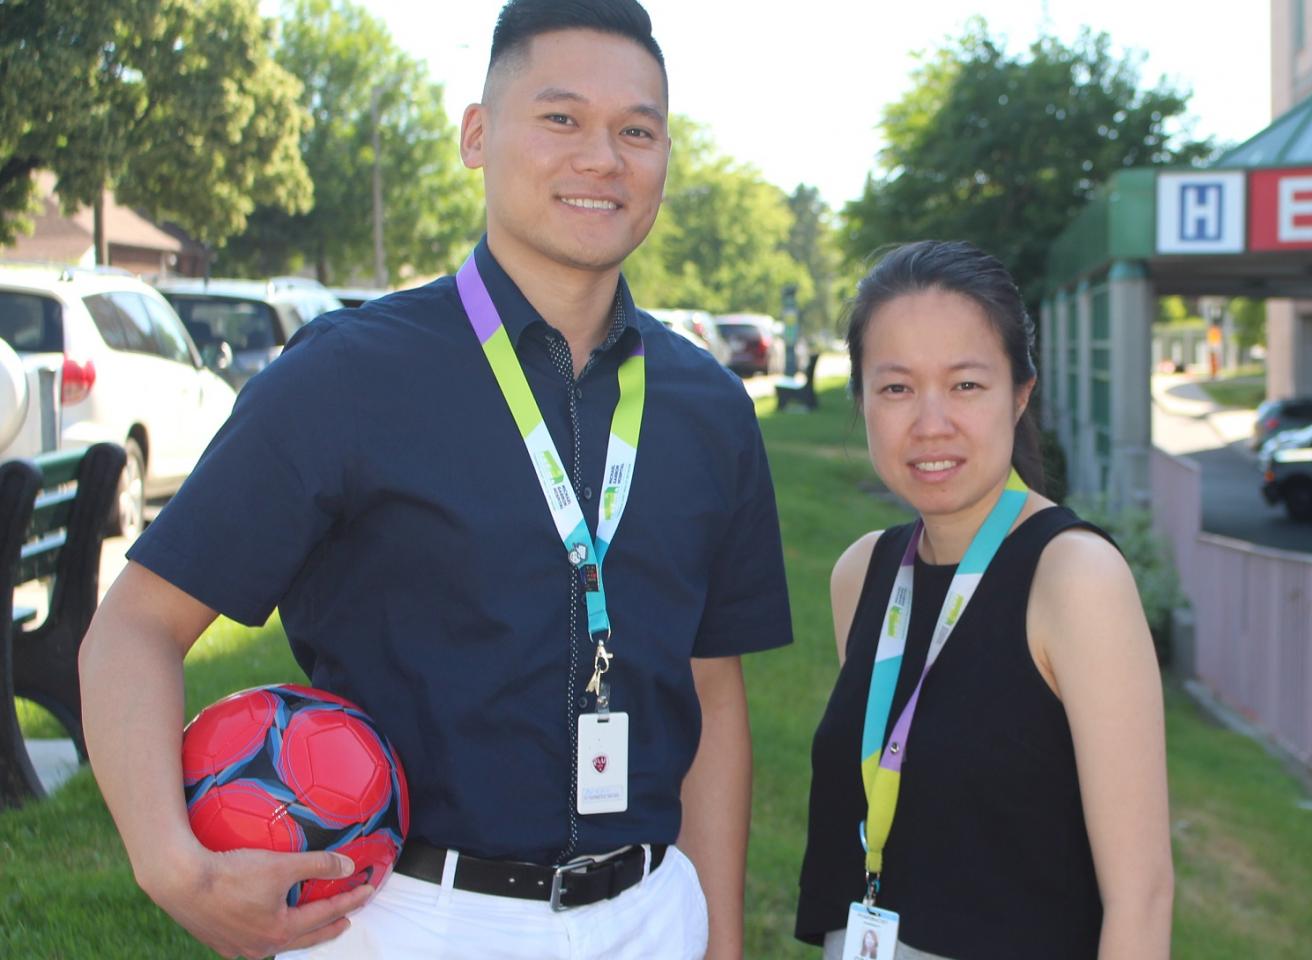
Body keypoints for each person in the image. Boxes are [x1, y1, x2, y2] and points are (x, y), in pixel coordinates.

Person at [77, 2, 790, 958]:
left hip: (652, 912)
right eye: (561, 118)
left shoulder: (710, 407)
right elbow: (134, 627)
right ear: (477, 135)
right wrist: (172, 865)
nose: (601, 157)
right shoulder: (346, 373)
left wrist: (720, 940)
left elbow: (713, 687)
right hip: (408, 918)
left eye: (637, 130)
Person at [794, 241, 1174, 959]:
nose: (930, 423)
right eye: (896, 387)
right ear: (863, 399)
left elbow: (1142, 894)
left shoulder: (1073, 579)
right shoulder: (863, 575)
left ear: (1021, 391)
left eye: (965, 385)